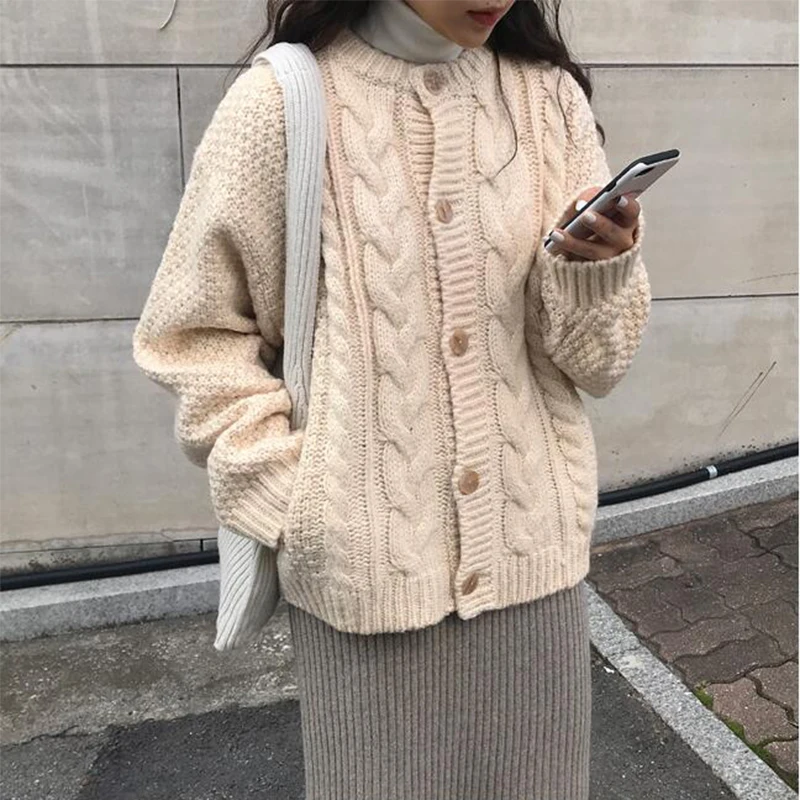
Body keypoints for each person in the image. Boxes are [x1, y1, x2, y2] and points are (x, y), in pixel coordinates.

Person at [132, 1, 651, 797]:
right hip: (362, 586)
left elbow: (600, 366)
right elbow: (192, 337)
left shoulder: (548, 99)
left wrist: (593, 275)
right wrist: (298, 503)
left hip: (534, 572)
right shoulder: (279, 105)